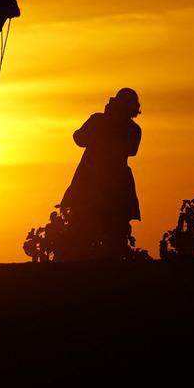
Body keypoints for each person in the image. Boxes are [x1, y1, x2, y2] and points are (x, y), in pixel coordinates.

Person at [60, 88, 142, 259]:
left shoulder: (101, 122)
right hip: (108, 181)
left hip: (101, 181)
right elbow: (80, 139)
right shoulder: (129, 128)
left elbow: (79, 138)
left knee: (107, 229)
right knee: (87, 227)